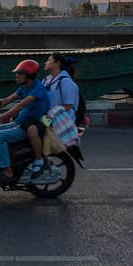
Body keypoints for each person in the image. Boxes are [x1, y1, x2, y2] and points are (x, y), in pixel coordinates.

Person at [0, 59, 50, 185]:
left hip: (29, 125)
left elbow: (19, 106)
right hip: (20, 122)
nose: (17, 76)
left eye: (19, 74)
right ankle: (1, 160)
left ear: (28, 76)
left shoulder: (38, 88)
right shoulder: (23, 87)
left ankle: (8, 173)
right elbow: (6, 101)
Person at [20, 53, 81, 181]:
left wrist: (51, 113)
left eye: (49, 60)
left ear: (57, 63)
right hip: (47, 117)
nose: (46, 63)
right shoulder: (47, 80)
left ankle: (39, 162)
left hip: (58, 120)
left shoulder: (65, 81)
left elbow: (68, 106)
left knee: (32, 130)